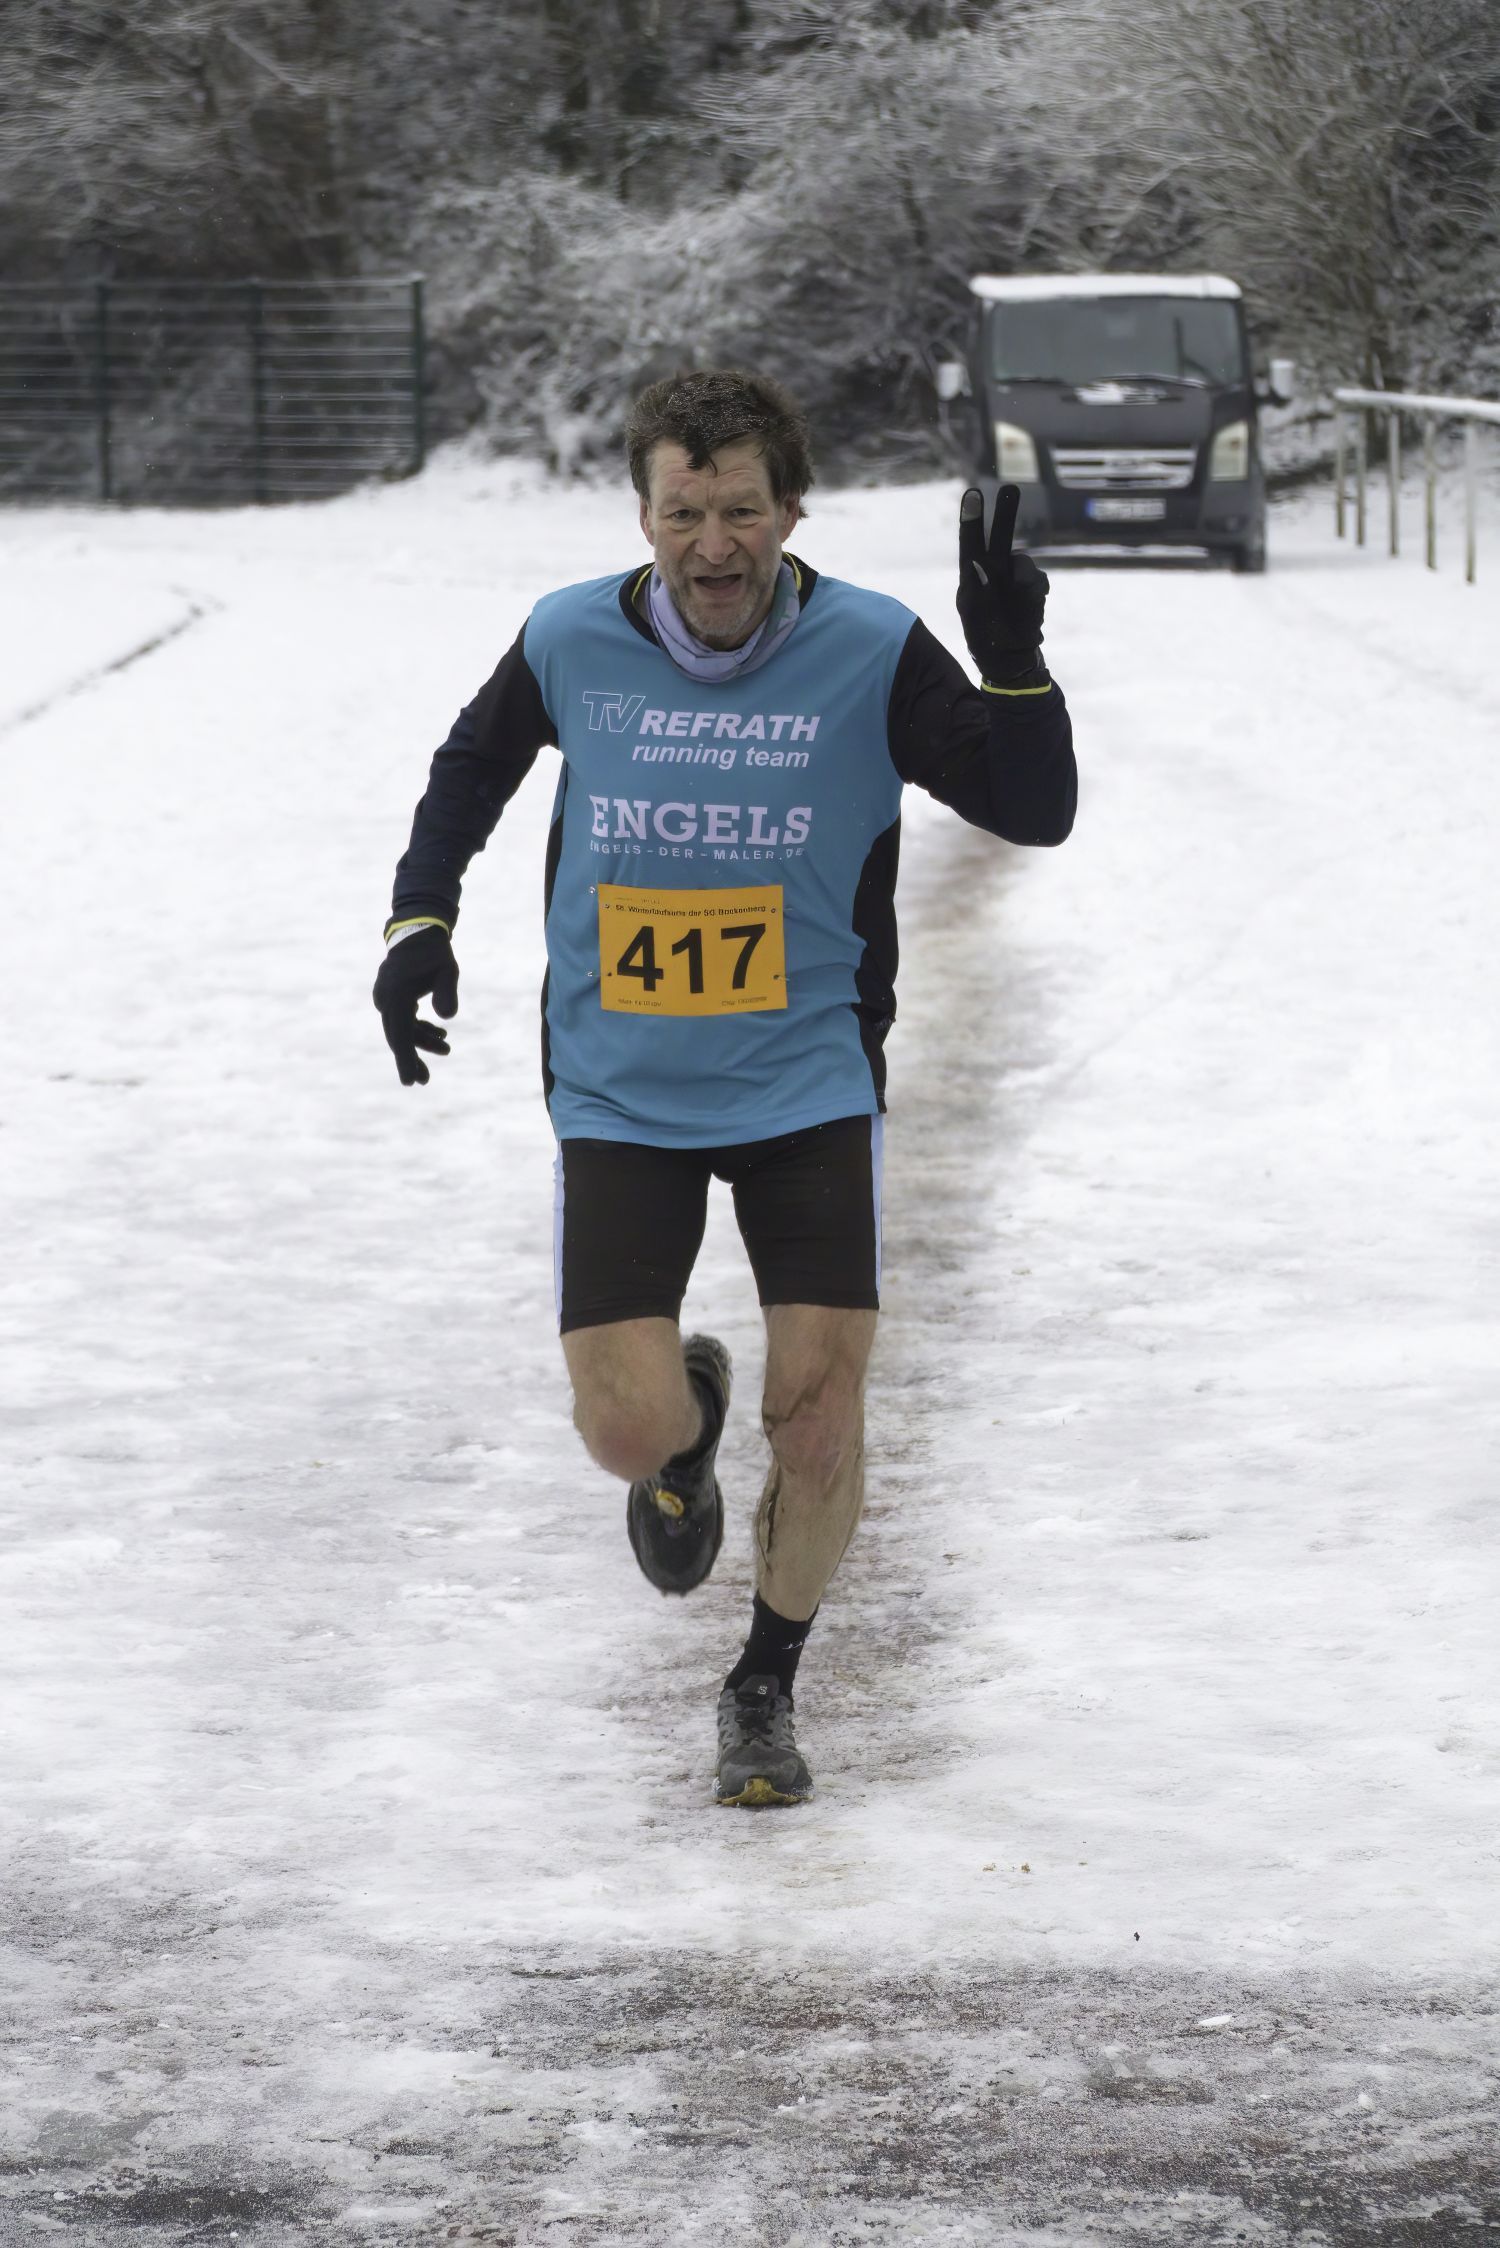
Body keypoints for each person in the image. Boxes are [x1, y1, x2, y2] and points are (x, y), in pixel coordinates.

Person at [374, 368, 1076, 1807]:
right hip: (620, 1089)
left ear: (791, 511)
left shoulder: (871, 649)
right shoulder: (569, 637)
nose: (713, 547)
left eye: (741, 511)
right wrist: (418, 921)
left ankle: (764, 1683)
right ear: (643, 515)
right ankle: (682, 1429)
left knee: (818, 1417)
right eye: (683, 513)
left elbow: (1033, 808)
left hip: (806, 1083)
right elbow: (469, 769)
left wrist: (1012, 663)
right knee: (622, 1431)